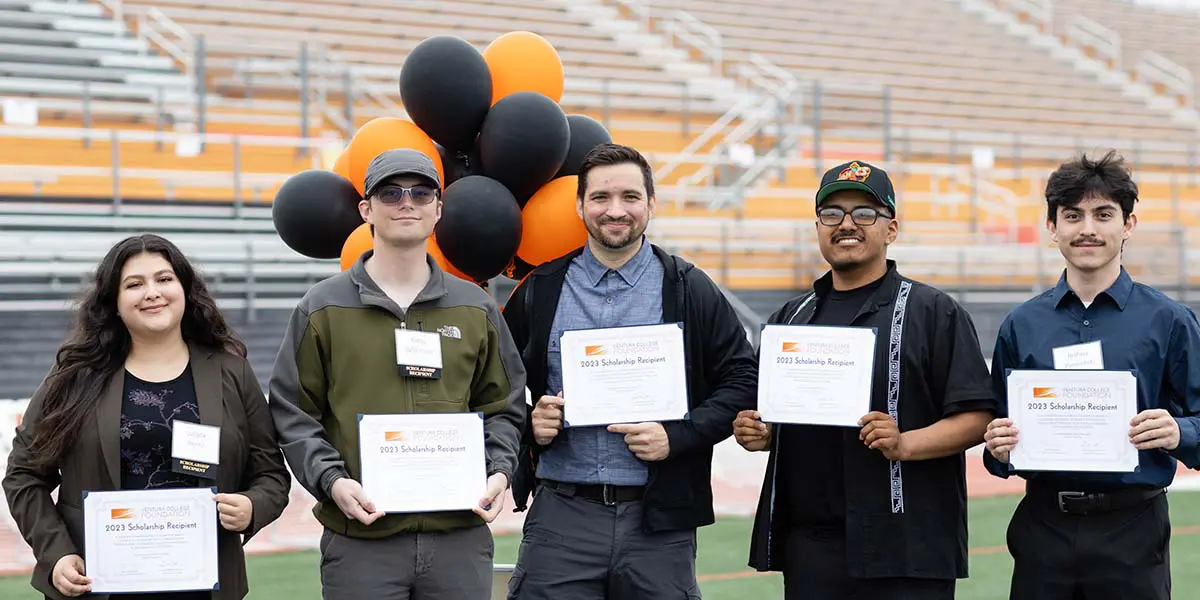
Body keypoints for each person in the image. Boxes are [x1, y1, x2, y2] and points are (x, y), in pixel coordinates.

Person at [501, 143, 759, 599]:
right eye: (600, 197)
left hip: (657, 520)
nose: (615, 210)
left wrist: (677, 436)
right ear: (580, 205)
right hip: (563, 513)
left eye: (630, 197)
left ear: (651, 204)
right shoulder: (540, 290)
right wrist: (530, 423)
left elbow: (742, 379)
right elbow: (492, 388)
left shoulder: (688, 287)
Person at [268, 148, 527, 600]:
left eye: (421, 192)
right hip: (361, 540)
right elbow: (294, 412)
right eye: (390, 193)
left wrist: (499, 471)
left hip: (458, 538)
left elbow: (503, 405)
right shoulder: (323, 307)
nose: (407, 203)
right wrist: (332, 481)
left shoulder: (476, 306)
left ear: (438, 209)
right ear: (366, 209)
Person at [733, 160, 997, 599]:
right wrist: (757, 431)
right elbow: (768, 416)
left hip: (908, 544)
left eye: (865, 213)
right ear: (818, 227)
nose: (847, 224)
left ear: (891, 229)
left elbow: (977, 416)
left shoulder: (934, 312)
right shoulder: (790, 320)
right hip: (812, 548)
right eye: (832, 214)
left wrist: (905, 444)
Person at [3, 233, 291, 600]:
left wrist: (252, 507)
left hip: (204, 585)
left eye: (164, 279)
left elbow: (270, 474)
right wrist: (56, 554)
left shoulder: (231, 372)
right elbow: (24, 476)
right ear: (114, 303)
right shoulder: (74, 376)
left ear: (185, 290)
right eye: (134, 284)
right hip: (97, 584)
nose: (152, 292)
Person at [982, 150, 1200, 600]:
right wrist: (998, 446)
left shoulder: (1171, 321)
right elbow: (998, 439)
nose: (1087, 229)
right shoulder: (1022, 324)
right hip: (1043, 526)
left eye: (1104, 215)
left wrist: (1178, 431)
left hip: (1133, 531)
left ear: (1128, 225)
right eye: (1072, 215)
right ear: (1052, 227)